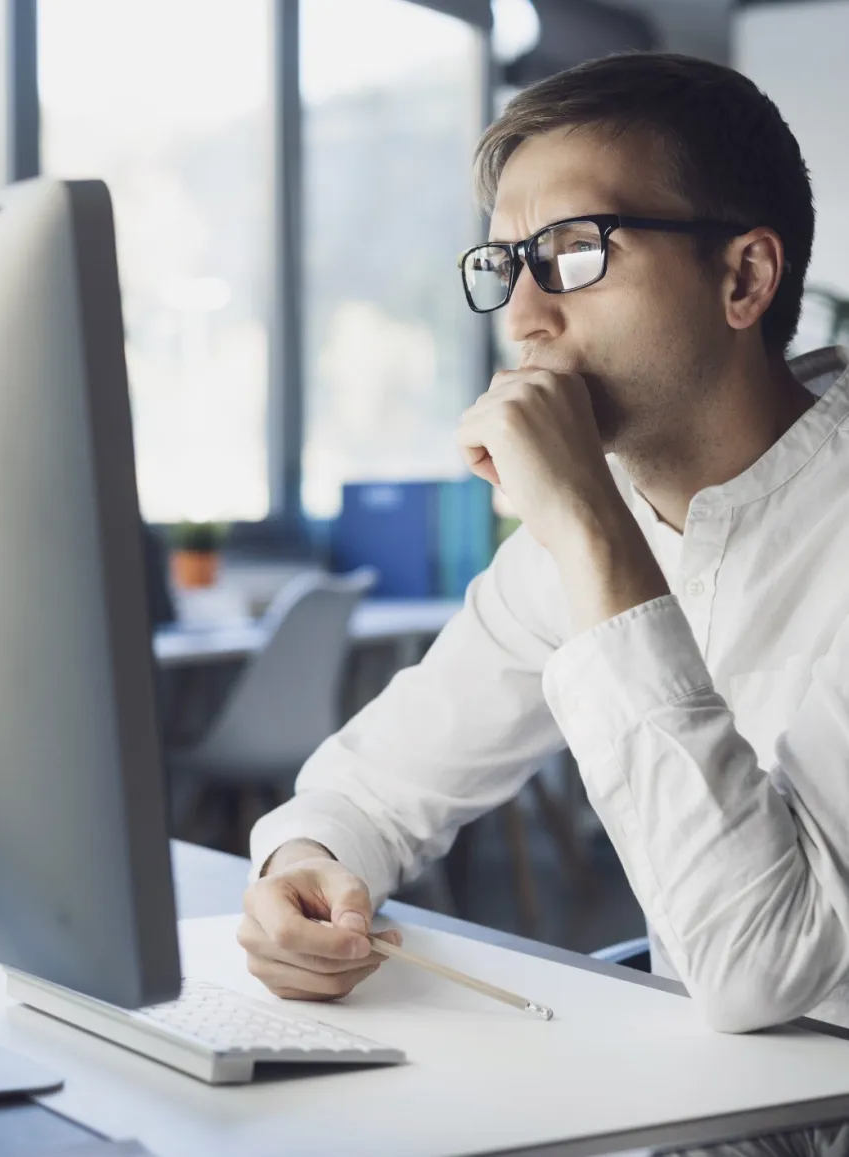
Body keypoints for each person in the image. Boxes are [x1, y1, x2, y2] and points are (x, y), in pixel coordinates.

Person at [237, 51, 849, 1032]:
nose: (523, 318)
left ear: (744, 276)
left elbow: (759, 964)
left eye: (575, 250)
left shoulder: (594, 516)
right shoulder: (580, 524)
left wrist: (585, 525)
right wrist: (306, 868)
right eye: (505, 265)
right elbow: (369, 789)